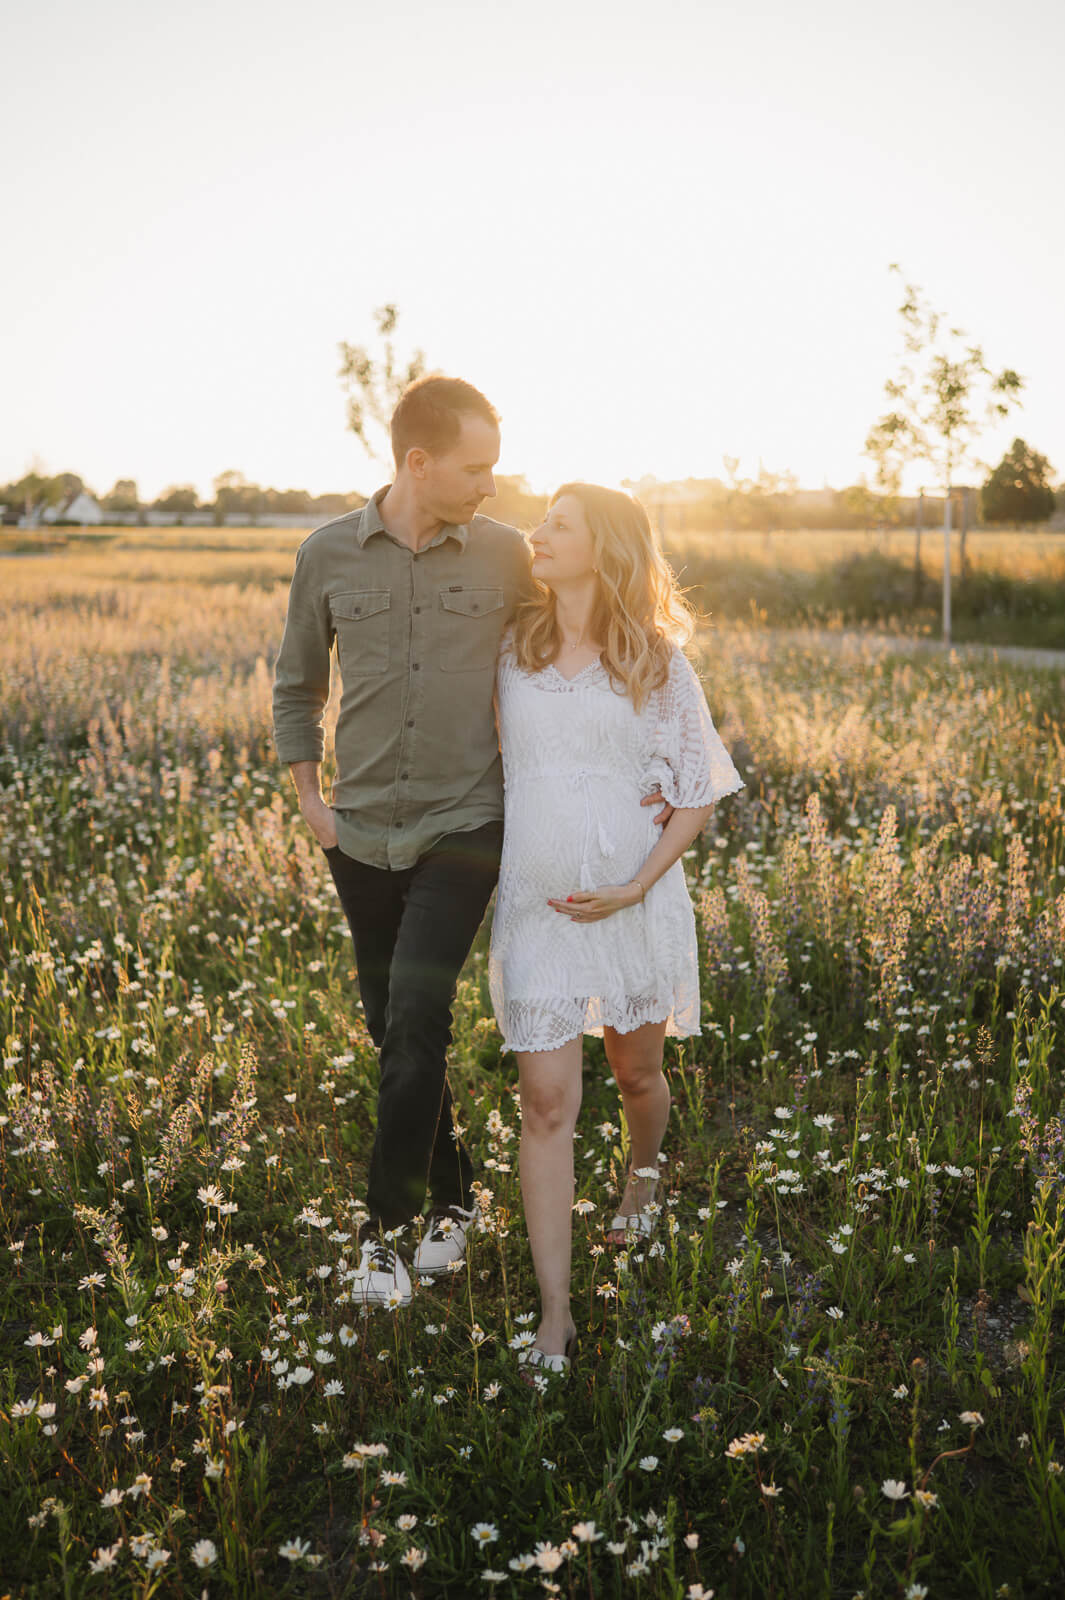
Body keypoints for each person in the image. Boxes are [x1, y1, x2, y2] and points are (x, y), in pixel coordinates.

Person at [271, 380, 671, 1307]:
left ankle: (382, 1240)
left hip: (466, 827)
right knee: (392, 1033)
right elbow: (296, 685)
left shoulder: (500, 557)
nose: (493, 485)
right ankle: (454, 1201)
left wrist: (641, 750)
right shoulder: (324, 554)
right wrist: (309, 802)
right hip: (358, 832)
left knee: (416, 1023)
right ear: (419, 463)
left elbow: (592, 616)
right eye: (477, 467)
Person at [488, 483, 743, 1377]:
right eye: (541, 522)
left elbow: (697, 789)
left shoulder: (657, 660)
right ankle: (555, 1312)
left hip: (634, 905)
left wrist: (636, 885)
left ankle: (641, 1176)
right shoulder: (508, 648)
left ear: (606, 548)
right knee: (546, 1104)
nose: (538, 535)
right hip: (535, 911)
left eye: (559, 525)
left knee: (637, 1072)